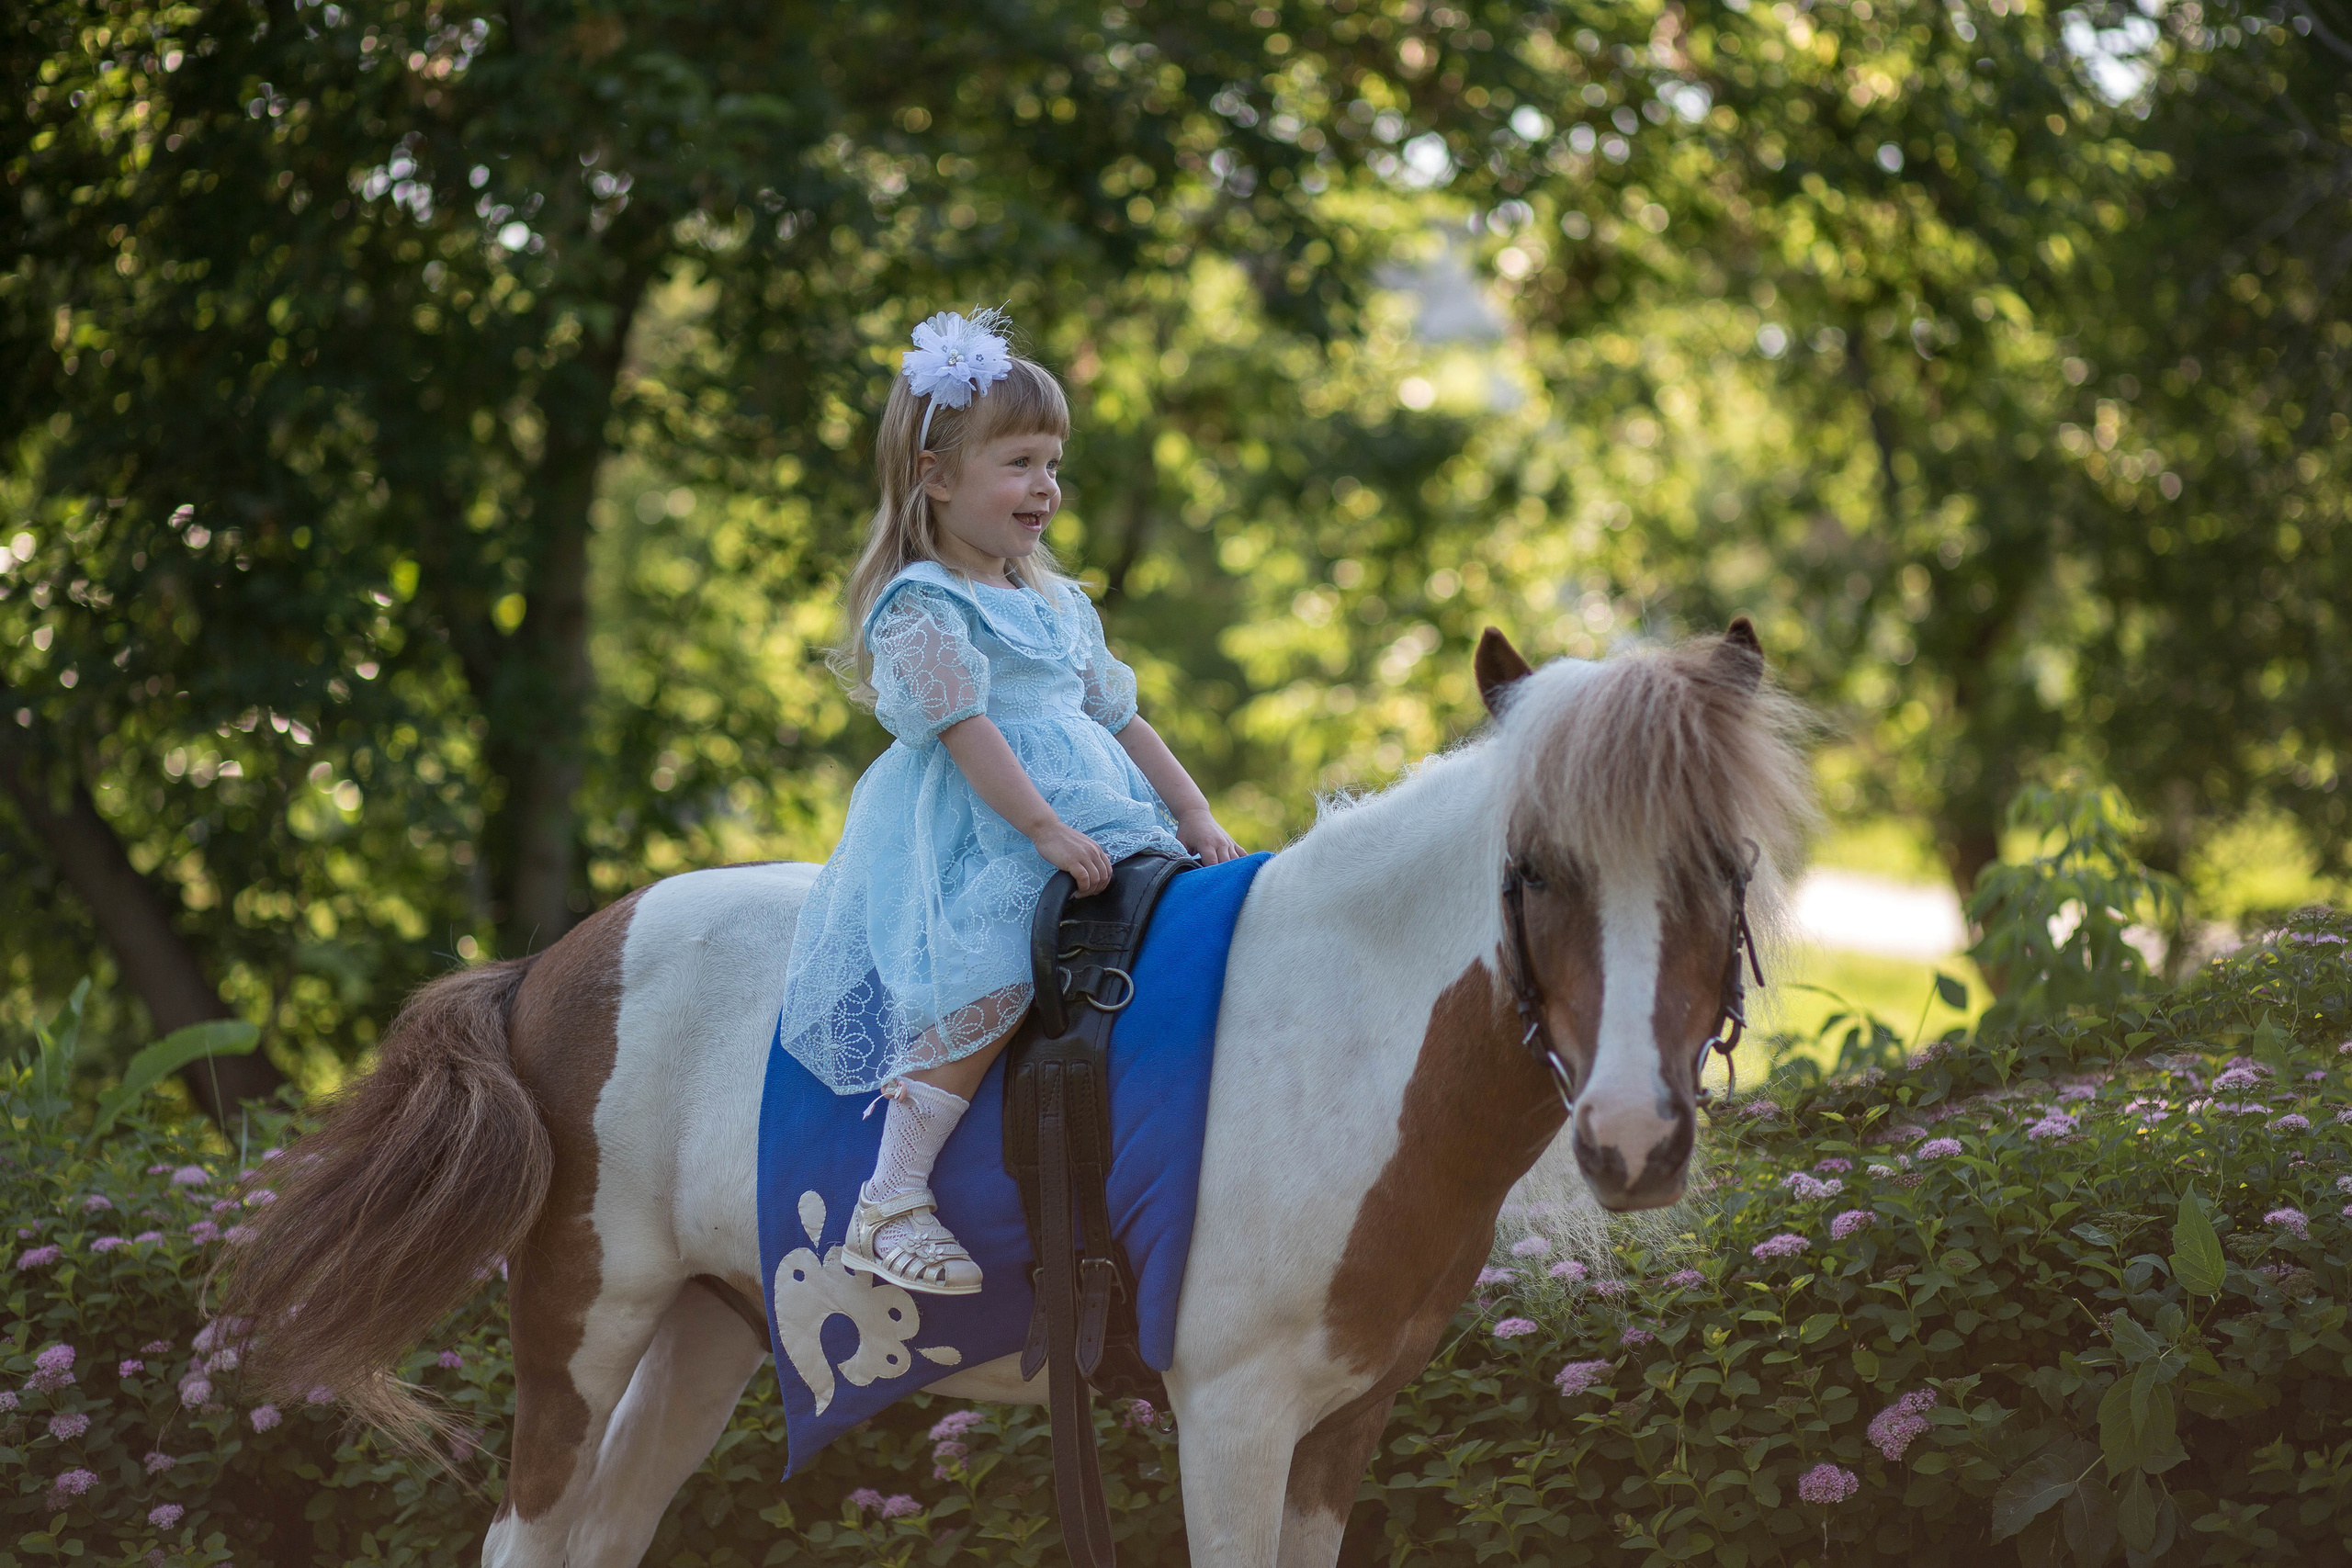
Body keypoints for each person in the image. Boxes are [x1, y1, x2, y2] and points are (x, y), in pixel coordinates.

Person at [775, 309, 1244, 1295]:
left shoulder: (1057, 602)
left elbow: (1121, 717)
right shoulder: (924, 603)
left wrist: (1193, 813)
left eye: (1054, 463)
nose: (1047, 486)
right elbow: (967, 733)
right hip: (992, 832)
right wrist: (1041, 828)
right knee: (993, 976)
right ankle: (890, 1196)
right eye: (1021, 462)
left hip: (1102, 811)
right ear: (937, 477)